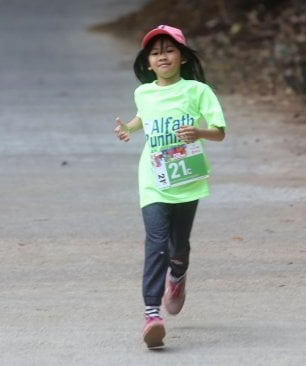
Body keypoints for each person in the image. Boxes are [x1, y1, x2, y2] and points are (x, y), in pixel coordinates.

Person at [114, 24, 226, 349]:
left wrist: (199, 133)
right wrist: (129, 129)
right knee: (156, 240)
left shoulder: (197, 91)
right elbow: (144, 117)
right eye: (155, 52)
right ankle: (152, 314)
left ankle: (177, 276)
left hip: (187, 177)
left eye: (169, 50)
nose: (162, 56)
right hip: (153, 178)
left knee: (178, 245)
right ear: (147, 63)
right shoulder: (143, 92)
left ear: (182, 57)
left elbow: (219, 131)